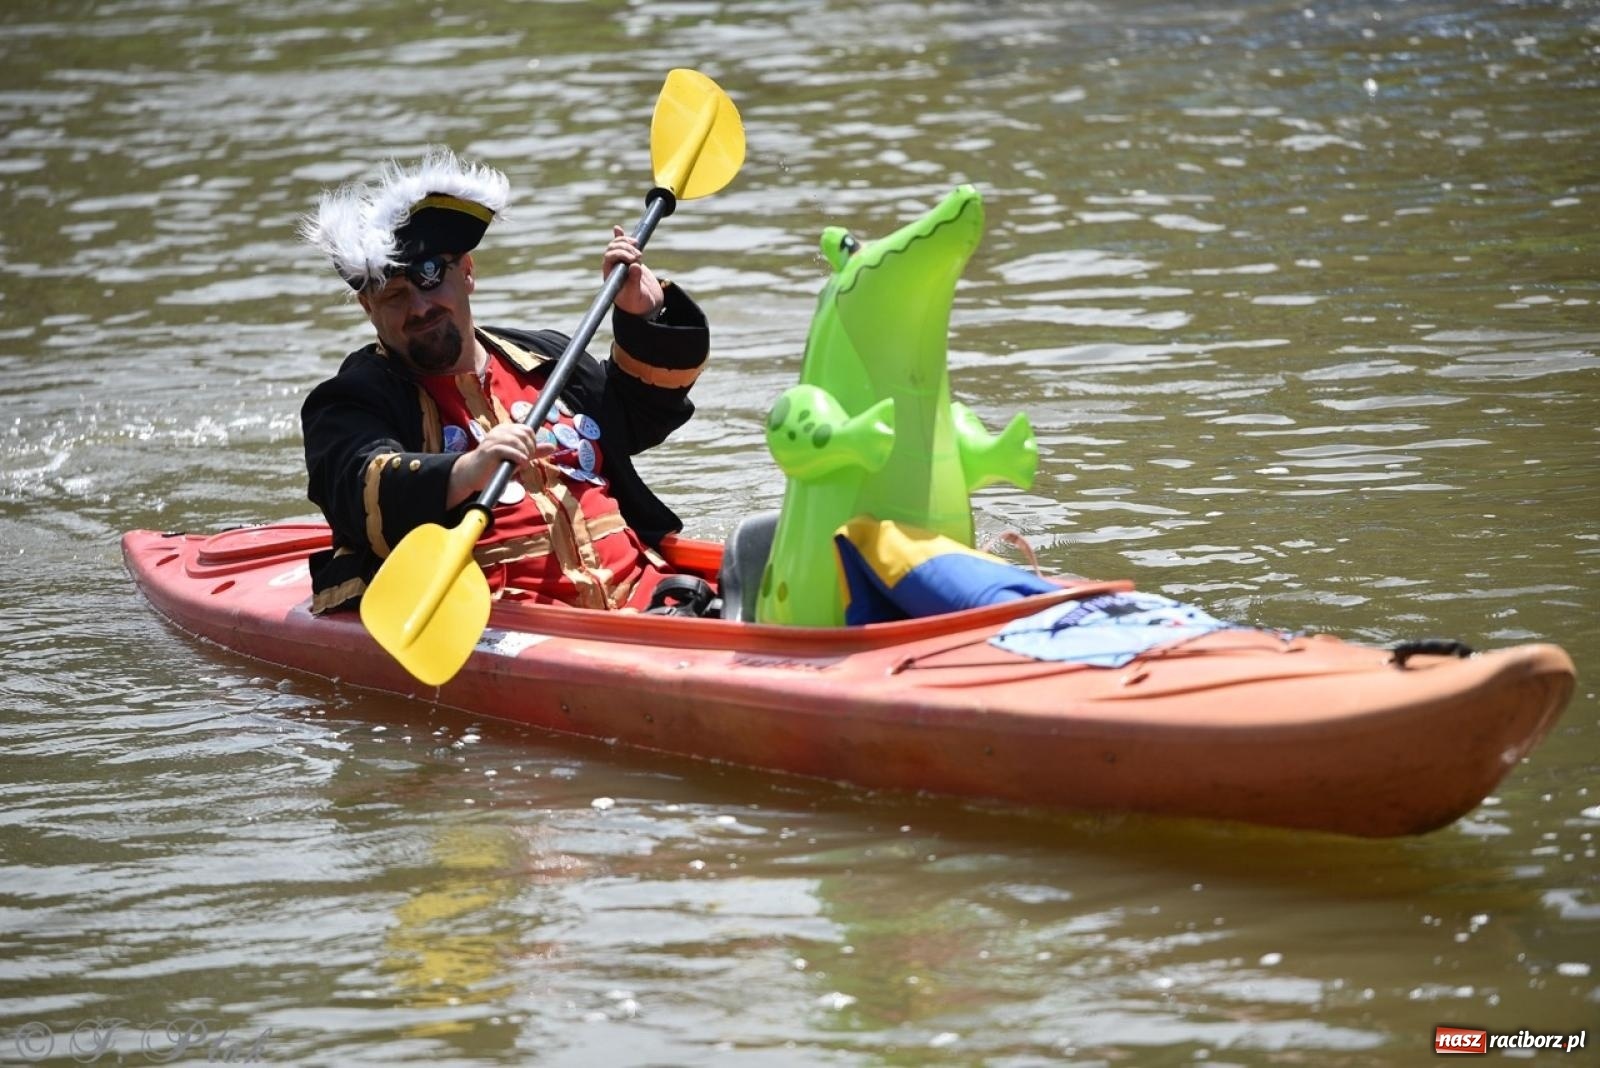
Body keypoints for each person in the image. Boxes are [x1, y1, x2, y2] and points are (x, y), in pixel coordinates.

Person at [299, 148, 711, 616]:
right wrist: (467, 470)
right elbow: (360, 492)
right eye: (394, 296)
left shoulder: (547, 358)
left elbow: (643, 416)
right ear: (367, 308)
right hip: (511, 625)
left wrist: (642, 315)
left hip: (650, 598)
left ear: (468, 273)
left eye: (431, 281)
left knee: (753, 552)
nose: (418, 309)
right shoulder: (353, 397)